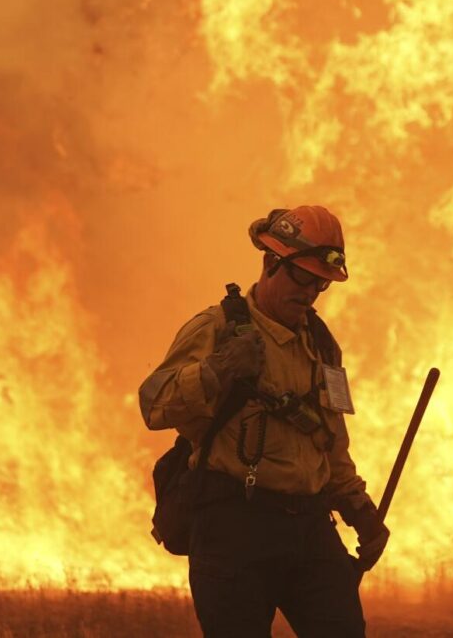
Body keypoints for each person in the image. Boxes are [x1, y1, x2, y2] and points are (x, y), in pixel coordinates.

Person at [138, 205, 388, 638]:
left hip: (309, 530)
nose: (311, 292)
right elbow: (153, 404)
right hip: (234, 529)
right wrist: (216, 370)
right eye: (302, 277)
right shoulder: (215, 329)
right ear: (272, 262)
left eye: (321, 283)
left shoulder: (323, 346)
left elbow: (330, 440)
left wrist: (357, 507)